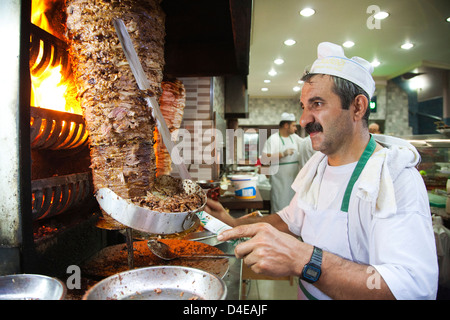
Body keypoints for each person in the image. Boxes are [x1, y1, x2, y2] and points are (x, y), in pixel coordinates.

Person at [205, 42, 438, 300]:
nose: (304, 120)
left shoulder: (395, 178)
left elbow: (411, 288)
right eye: (303, 106)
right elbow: (288, 221)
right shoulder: (317, 166)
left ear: (358, 107)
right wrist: (233, 223)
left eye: (317, 104)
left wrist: (305, 259)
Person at [261, 113, 314, 213]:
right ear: (286, 125)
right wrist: (282, 154)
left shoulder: (294, 138)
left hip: (293, 180)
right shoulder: (273, 139)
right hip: (279, 181)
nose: (295, 128)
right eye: (293, 125)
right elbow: (264, 159)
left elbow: (306, 144)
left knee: (292, 208)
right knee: (279, 206)